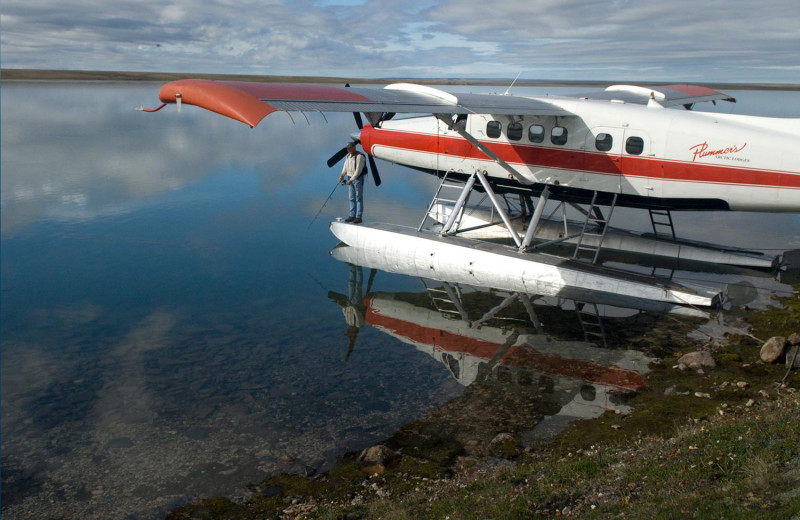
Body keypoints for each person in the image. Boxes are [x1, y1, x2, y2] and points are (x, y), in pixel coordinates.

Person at [338, 142, 366, 223]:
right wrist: (342, 174)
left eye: (350, 148)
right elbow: (345, 167)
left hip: (357, 179)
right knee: (351, 197)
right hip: (349, 178)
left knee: (358, 197)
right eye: (347, 148)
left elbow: (358, 171)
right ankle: (352, 215)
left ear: (354, 147)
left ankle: (358, 216)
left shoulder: (359, 157)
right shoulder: (348, 156)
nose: (348, 150)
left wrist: (351, 180)